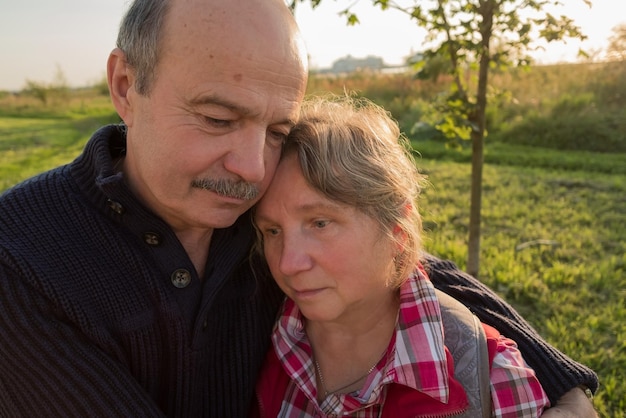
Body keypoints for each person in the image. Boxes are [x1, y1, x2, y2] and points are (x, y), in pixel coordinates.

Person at [0, 0, 596, 416]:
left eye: (277, 128)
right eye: (217, 119)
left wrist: (562, 384)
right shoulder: (21, 261)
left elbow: (395, 259)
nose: (254, 169)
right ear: (127, 85)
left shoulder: (251, 215)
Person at [251, 95, 553, 417]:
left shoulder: (492, 379)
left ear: (396, 229)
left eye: (320, 223)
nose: (287, 264)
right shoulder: (251, 334)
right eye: (272, 231)